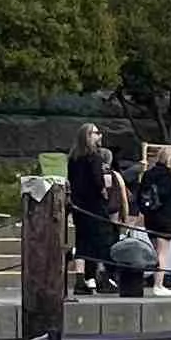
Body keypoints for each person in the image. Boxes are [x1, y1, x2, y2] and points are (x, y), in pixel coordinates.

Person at [67, 123, 121, 287]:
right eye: (96, 133)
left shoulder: (73, 158)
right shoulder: (95, 157)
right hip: (94, 205)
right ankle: (103, 277)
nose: (100, 136)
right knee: (103, 240)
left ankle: (81, 279)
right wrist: (104, 191)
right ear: (88, 136)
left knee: (82, 241)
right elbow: (98, 181)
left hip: (78, 205)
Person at [133, 148, 171, 288]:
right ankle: (158, 284)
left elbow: (140, 195)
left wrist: (144, 211)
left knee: (156, 251)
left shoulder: (148, 174)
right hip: (165, 218)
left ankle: (157, 281)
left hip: (150, 218)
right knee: (163, 253)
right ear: (170, 159)